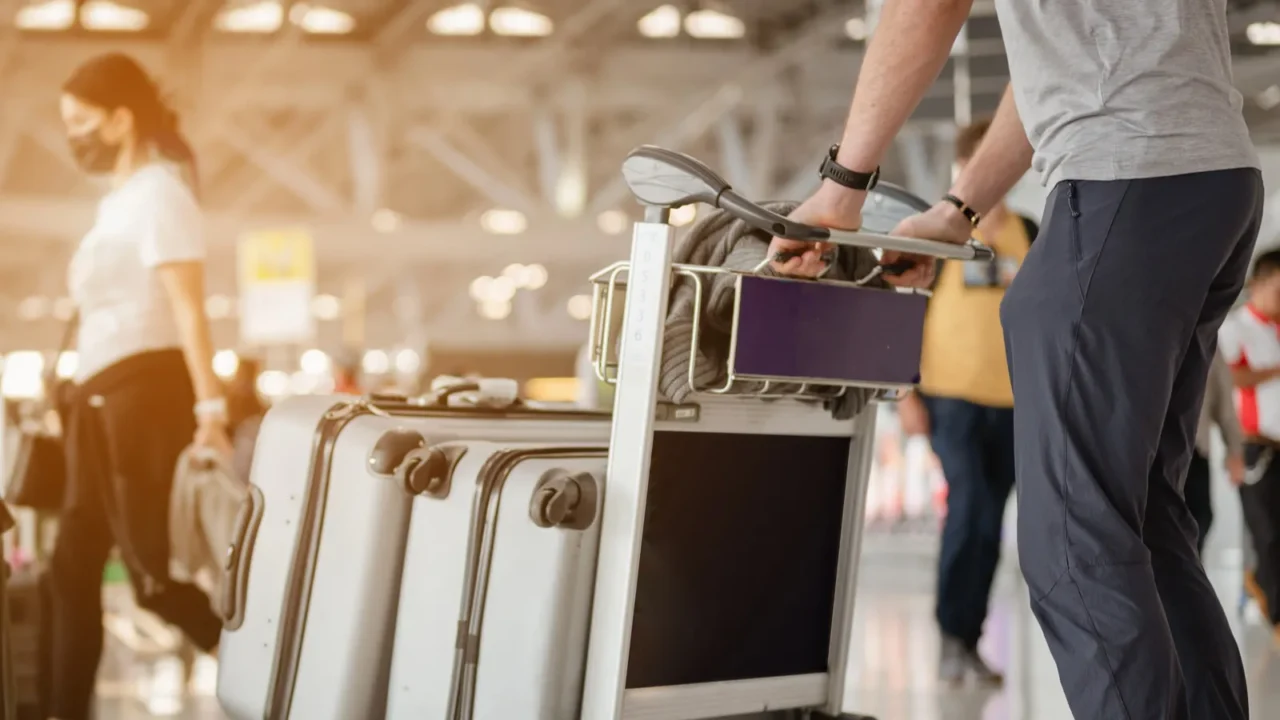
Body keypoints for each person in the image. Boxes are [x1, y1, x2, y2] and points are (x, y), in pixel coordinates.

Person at [768, 1, 1261, 717]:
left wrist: (843, 187)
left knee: (1073, 535)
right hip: (1212, 179)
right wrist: (961, 207)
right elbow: (1059, 58)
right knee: (1143, 516)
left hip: (1123, 173)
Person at [51, 52, 229, 720]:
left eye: (81, 121)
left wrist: (210, 408)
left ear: (121, 119)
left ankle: (273, 674)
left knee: (152, 579)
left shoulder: (161, 194)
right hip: (94, 401)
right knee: (70, 567)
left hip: (141, 399)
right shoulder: (120, 202)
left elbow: (189, 307)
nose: (73, 135)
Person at [896, 117, 1037, 685]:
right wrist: (905, 392)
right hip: (950, 399)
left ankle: (968, 638)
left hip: (1013, 404)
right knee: (970, 508)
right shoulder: (943, 231)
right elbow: (906, 309)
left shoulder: (1028, 231)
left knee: (989, 521)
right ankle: (953, 635)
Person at [1218, 250, 1280, 640]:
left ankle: (1258, 580)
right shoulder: (1235, 328)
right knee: (1268, 534)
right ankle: (1276, 617)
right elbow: (1231, 381)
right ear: (1257, 284)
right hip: (1255, 448)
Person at [1186, 351, 1246, 556]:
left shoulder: (1207, 343)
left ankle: (1184, 586)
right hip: (1147, 457)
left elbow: (1225, 408)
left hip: (1194, 453)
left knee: (1199, 522)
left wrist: (1235, 451)